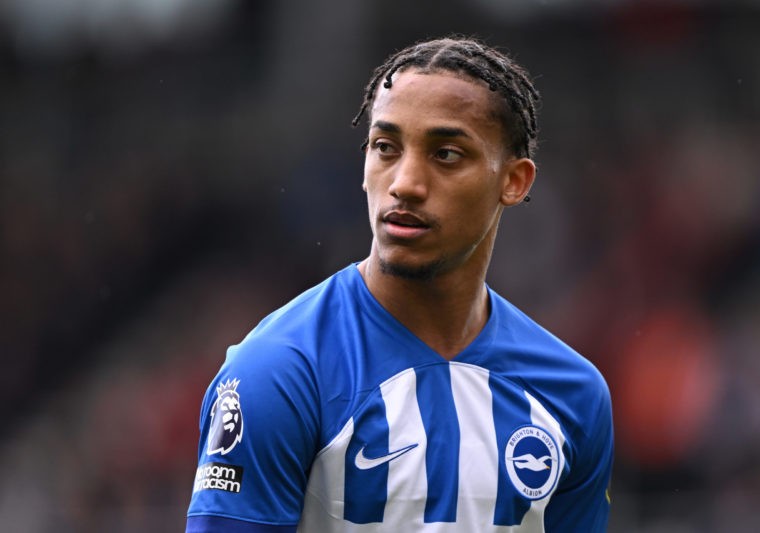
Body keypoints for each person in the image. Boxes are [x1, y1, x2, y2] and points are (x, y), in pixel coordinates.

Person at [186, 36, 613, 532]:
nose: (405, 182)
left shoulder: (573, 395)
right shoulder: (279, 373)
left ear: (514, 181)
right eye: (386, 147)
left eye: (447, 154)